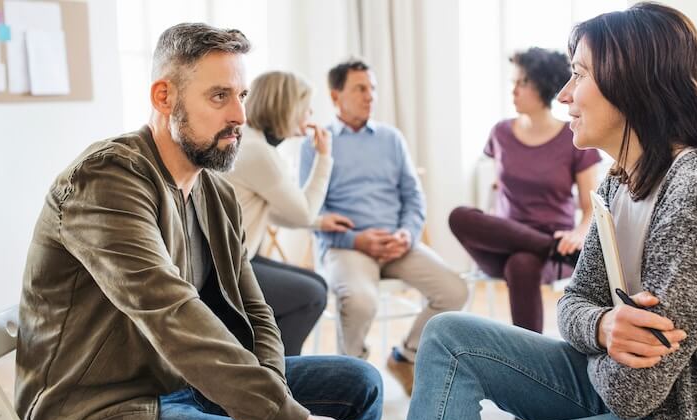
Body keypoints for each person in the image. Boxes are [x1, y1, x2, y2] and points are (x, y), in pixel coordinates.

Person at [405, 3, 697, 420]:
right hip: (648, 401)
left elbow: (631, 392)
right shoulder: (619, 183)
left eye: (579, 75)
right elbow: (574, 302)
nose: (564, 95)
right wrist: (602, 327)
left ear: (631, 85)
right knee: (448, 337)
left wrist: (597, 339)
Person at [15, 23, 382, 420]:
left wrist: (280, 401)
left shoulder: (215, 192)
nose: (239, 116)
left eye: (241, 96)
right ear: (164, 97)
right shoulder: (105, 180)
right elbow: (171, 312)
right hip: (102, 408)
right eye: (219, 96)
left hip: (185, 384)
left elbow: (255, 310)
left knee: (360, 383)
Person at [300, 59, 468, 395]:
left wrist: (407, 233)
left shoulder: (391, 138)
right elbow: (309, 210)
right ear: (335, 96)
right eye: (360, 89)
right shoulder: (316, 144)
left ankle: (405, 356)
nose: (370, 96)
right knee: (361, 301)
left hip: (397, 243)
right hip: (348, 246)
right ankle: (351, 378)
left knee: (455, 290)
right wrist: (356, 239)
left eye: (373, 88)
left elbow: (413, 196)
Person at [448, 47, 601, 333]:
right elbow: (497, 188)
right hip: (504, 240)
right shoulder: (500, 133)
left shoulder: (574, 137)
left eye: (523, 82)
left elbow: (590, 206)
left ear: (544, 86)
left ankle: (527, 353)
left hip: (553, 246)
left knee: (522, 263)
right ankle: (548, 247)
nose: (514, 90)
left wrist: (579, 235)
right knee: (459, 215)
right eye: (513, 82)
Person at [223, 70, 355, 356]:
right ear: (287, 108)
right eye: (306, 107)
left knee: (317, 284)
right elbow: (302, 213)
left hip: (237, 258)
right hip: (226, 269)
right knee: (311, 295)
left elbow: (268, 210)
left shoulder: (249, 143)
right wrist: (324, 157)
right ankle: (282, 371)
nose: (310, 114)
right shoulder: (258, 152)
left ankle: (267, 359)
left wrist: (319, 222)